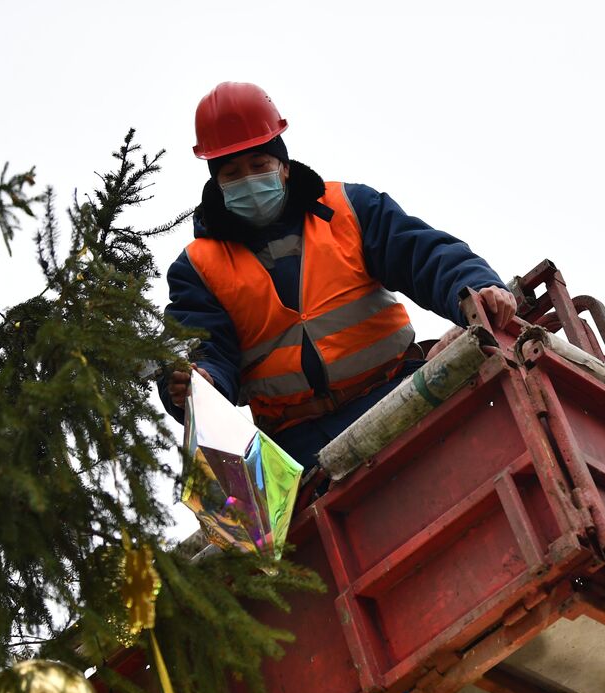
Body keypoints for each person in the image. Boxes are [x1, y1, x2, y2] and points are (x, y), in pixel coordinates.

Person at [159, 81, 517, 465]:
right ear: (217, 183)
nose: (248, 180)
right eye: (232, 172)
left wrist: (478, 288)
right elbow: (203, 347)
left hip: (398, 393)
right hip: (299, 445)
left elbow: (424, 255)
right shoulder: (197, 268)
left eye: (259, 165)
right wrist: (198, 384)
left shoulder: (349, 207)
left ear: (283, 167)